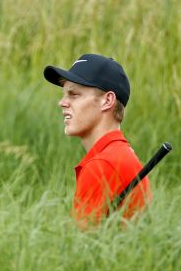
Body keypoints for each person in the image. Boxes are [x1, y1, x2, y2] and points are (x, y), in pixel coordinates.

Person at [43, 53, 151, 225]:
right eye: (64, 94)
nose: (62, 102)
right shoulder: (118, 155)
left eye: (74, 94)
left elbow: (81, 247)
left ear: (107, 100)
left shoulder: (103, 165)